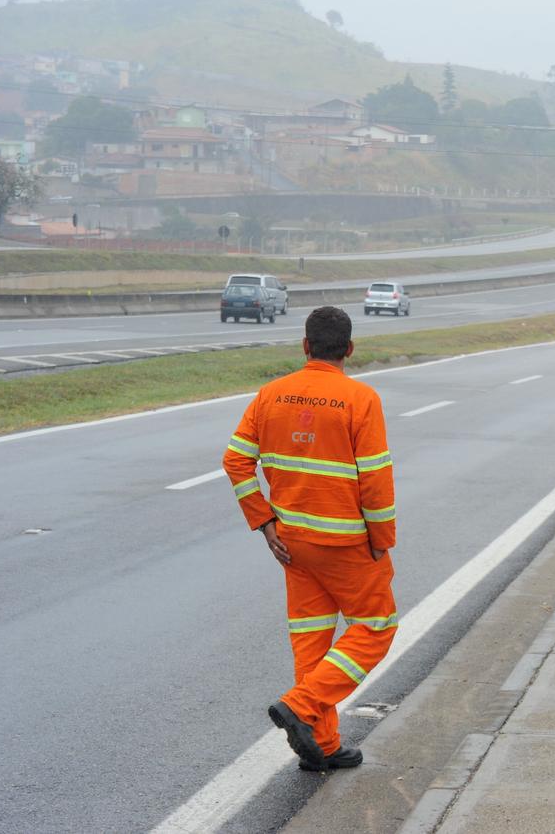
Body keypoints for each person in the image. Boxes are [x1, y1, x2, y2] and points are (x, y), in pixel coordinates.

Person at [223, 306, 397, 771]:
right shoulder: (360, 398)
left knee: (312, 640)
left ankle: (321, 744)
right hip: (348, 544)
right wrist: (382, 539)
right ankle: (301, 706)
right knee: (377, 627)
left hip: (292, 545)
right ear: (350, 350)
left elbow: (236, 461)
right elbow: (376, 478)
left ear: (305, 346)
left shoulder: (271, 394)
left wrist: (264, 522)